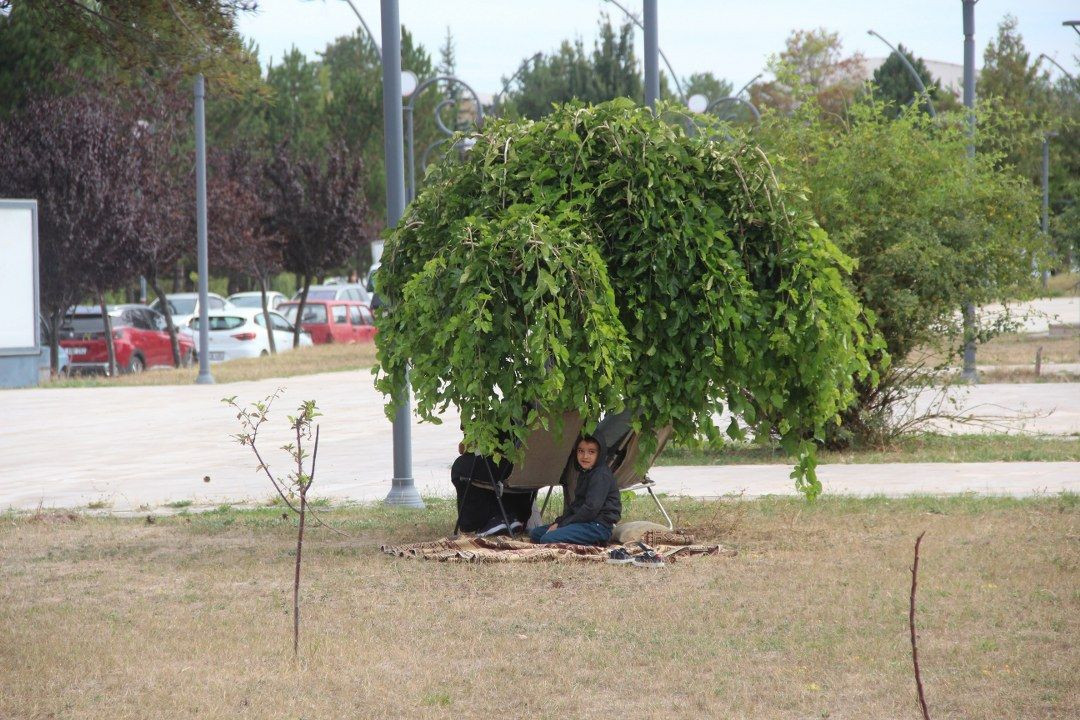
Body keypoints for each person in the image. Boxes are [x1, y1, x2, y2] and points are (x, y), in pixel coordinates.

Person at [530, 434, 620, 545]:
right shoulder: (586, 472)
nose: (585, 456)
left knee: (547, 539)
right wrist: (559, 522)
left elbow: (590, 509)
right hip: (583, 522)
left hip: (597, 526)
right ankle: (572, 536)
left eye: (591, 452)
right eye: (581, 451)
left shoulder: (601, 475)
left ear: (600, 454)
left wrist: (563, 525)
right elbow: (577, 505)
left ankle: (595, 542)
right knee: (536, 534)